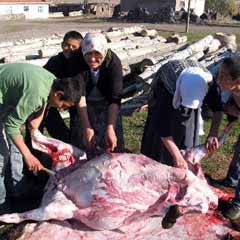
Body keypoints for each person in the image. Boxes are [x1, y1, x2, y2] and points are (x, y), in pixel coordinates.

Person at [0, 63, 84, 213]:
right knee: (1, 157)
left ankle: (17, 189)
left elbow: (43, 104)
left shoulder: (52, 81)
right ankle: (2, 205)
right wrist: (29, 156)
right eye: (63, 105)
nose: (61, 109)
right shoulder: (36, 94)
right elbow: (12, 127)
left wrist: (35, 126)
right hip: (2, 97)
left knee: (15, 148)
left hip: (5, 97)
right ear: (58, 94)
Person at [141, 59, 223, 169]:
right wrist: (177, 156)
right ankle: (155, 163)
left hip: (187, 86)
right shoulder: (166, 90)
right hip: (168, 87)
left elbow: (218, 108)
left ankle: (184, 157)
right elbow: (161, 125)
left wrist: (213, 132)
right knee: (158, 138)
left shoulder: (208, 84)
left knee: (184, 129)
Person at [71, 32, 124, 157]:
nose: (92, 59)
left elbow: (115, 98)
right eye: (88, 54)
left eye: (97, 54)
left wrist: (110, 128)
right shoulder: (76, 60)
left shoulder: (113, 62)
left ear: (104, 52)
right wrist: (87, 127)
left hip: (107, 101)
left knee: (111, 137)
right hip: (84, 101)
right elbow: (80, 95)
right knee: (83, 138)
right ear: (83, 52)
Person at [212, 57, 240, 222]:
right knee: (238, 152)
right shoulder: (230, 90)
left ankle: (238, 204)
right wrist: (221, 133)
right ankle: (231, 180)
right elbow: (228, 110)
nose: (219, 79)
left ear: (237, 81)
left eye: (223, 76)